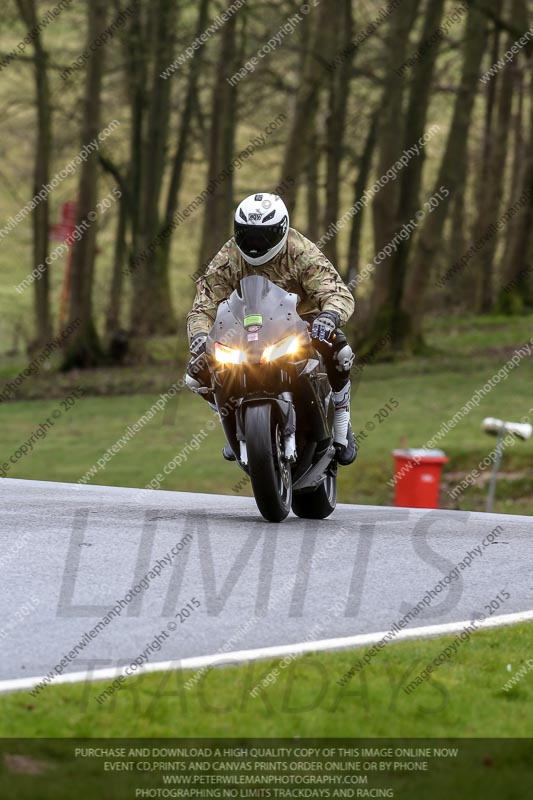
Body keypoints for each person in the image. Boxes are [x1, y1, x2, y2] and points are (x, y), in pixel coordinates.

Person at [186, 193, 357, 466]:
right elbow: (203, 305)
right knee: (195, 375)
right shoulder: (228, 256)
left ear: (282, 230)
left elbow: (336, 292)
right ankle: (228, 422)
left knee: (340, 350)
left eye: (263, 237)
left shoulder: (300, 251)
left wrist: (330, 316)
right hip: (244, 329)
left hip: (301, 323)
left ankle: (341, 421)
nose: (254, 245)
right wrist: (198, 336)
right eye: (247, 235)